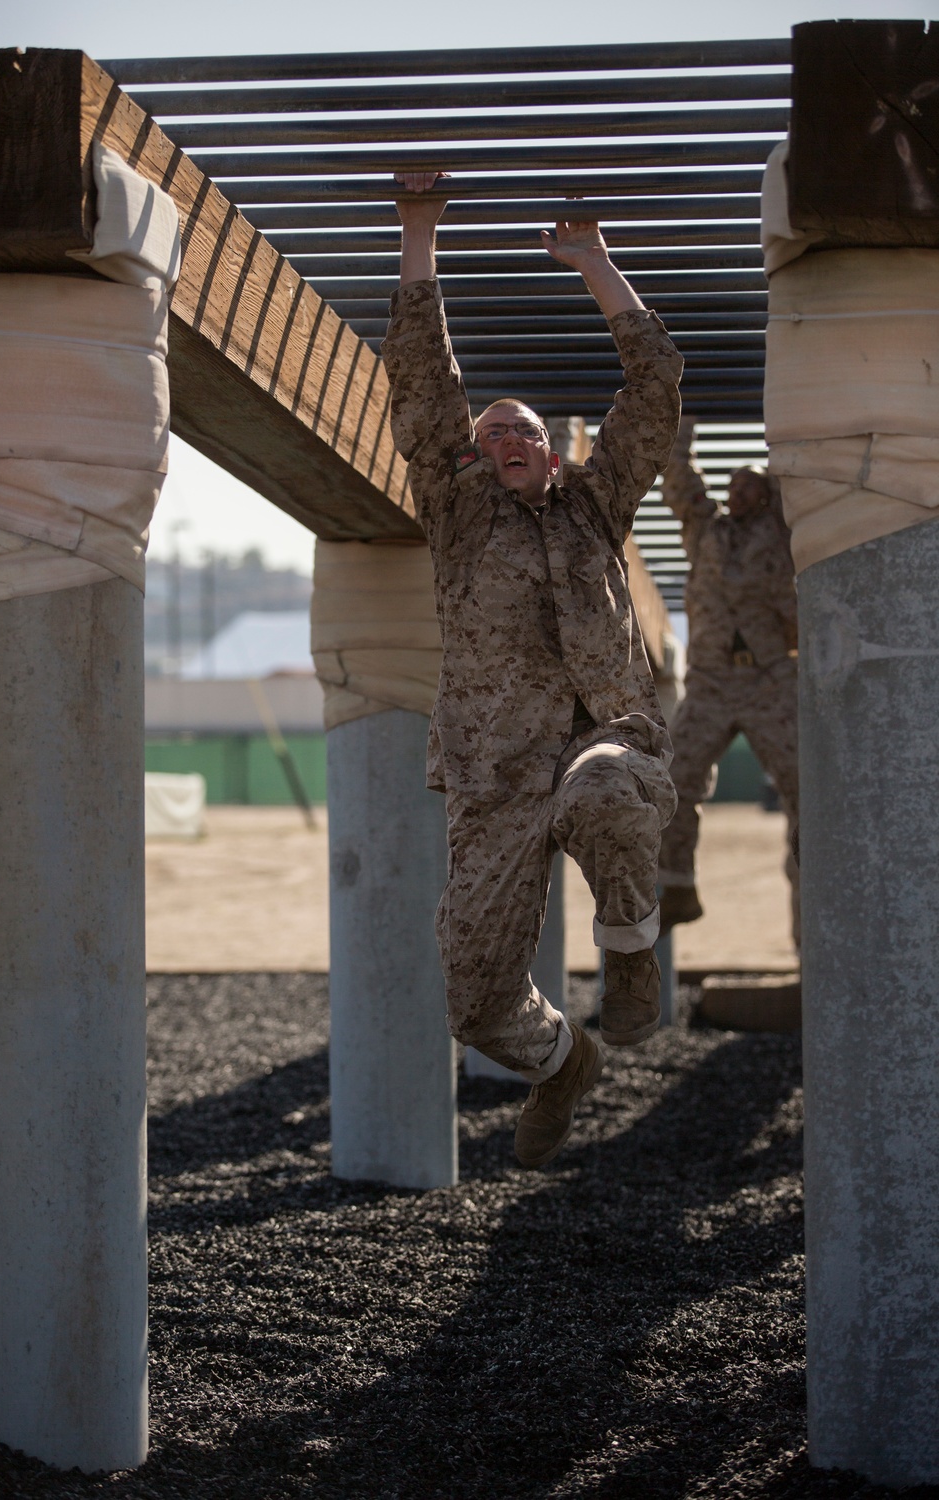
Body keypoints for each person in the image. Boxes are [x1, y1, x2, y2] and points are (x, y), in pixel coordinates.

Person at [380, 172, 683, 1169]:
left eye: (526, 431)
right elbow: (425, 387)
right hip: (492, 773)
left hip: (603, 736)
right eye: (490, 434)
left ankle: (633, 954)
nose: (505, 437)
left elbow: (655, 389)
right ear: (471, 462)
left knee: (605, 789)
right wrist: (420, 230)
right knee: (471, 996)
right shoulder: (460, 522)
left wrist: (595, 261)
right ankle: (563, 1063)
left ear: (556, 457)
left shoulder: (595, 511)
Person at [657, 418, 799, 942]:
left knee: (807, 785)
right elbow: (679, 478)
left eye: (751, 485)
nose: (738, 491)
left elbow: (791, 473)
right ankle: (676, 886)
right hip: (712, 679)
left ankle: (817, 892)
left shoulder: (781, 529)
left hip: (771, 676)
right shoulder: (705, 529)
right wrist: (683, 417)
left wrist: (779, 414)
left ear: (765, 495)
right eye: (733, 484)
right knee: (673, 778)